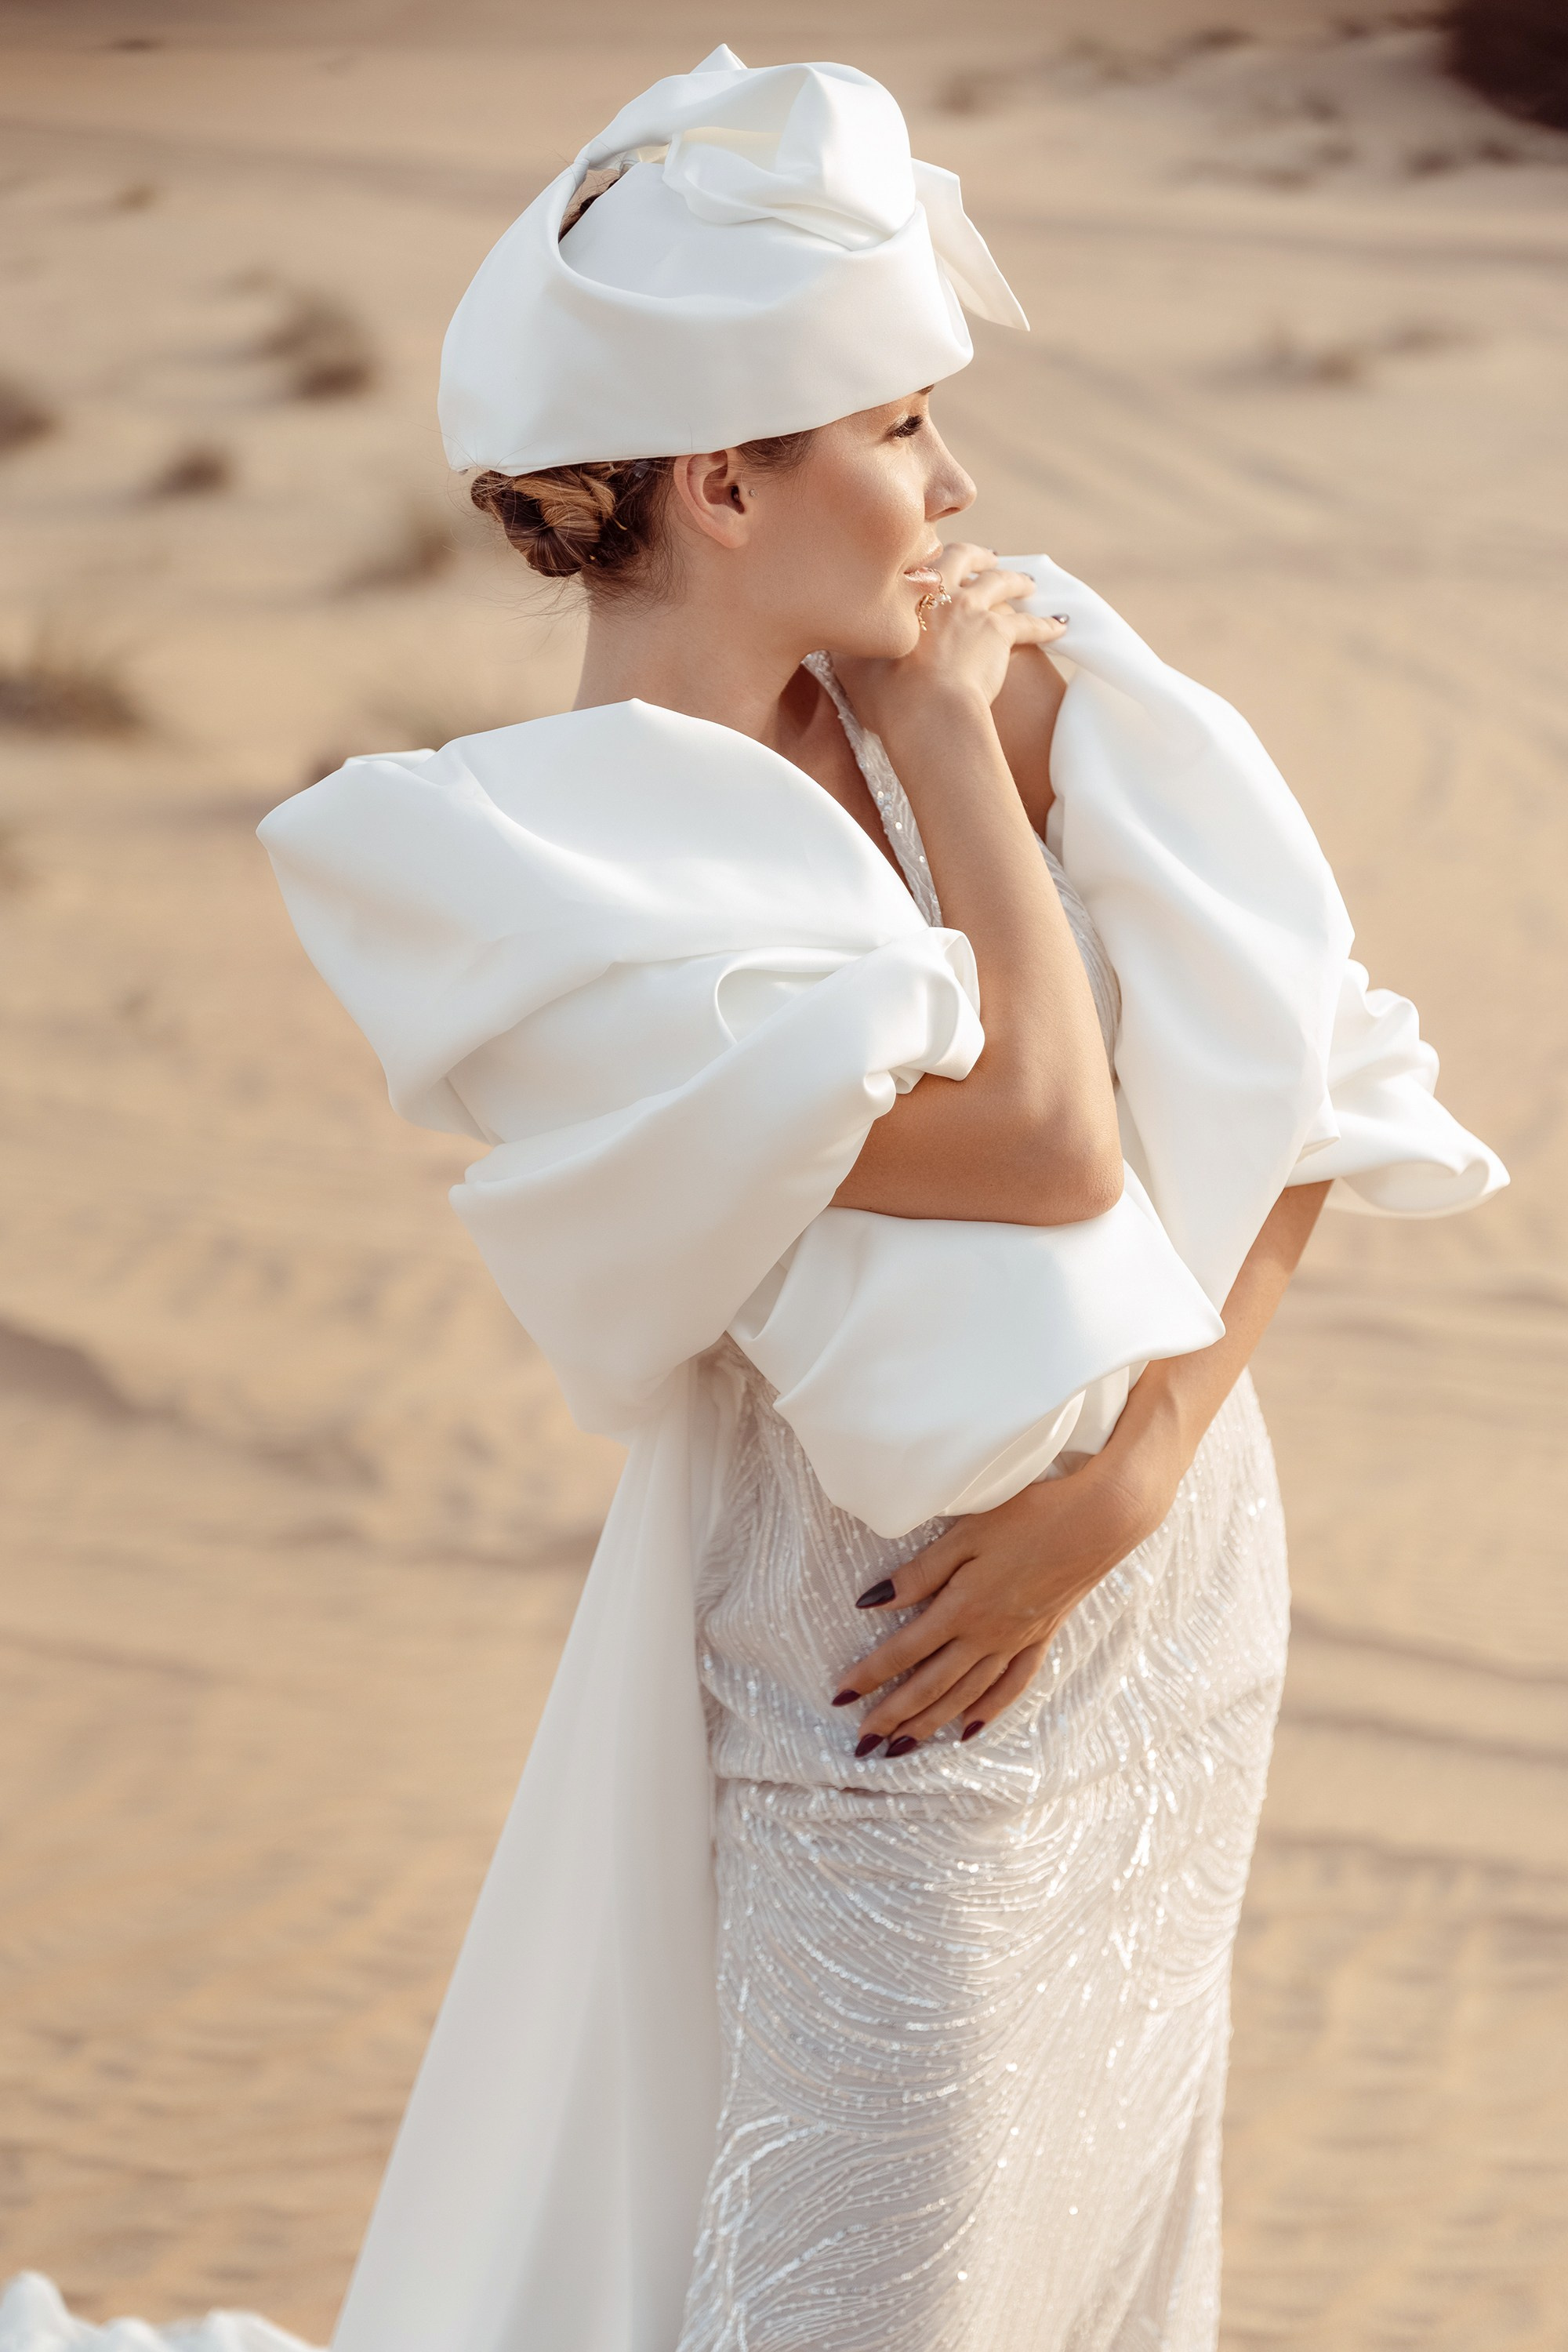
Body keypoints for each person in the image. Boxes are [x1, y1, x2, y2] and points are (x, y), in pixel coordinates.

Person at [1, 44, 1505, 2352]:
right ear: (722, 478)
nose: (957, 474)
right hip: (868, 1678)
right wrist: (925, 743)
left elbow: (1317, 1072)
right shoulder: (544, 871)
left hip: (1165, 1594)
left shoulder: (1048, 675)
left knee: (1090, 2254)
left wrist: (1146, 1466)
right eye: (899, 422)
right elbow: (1045, 1145)